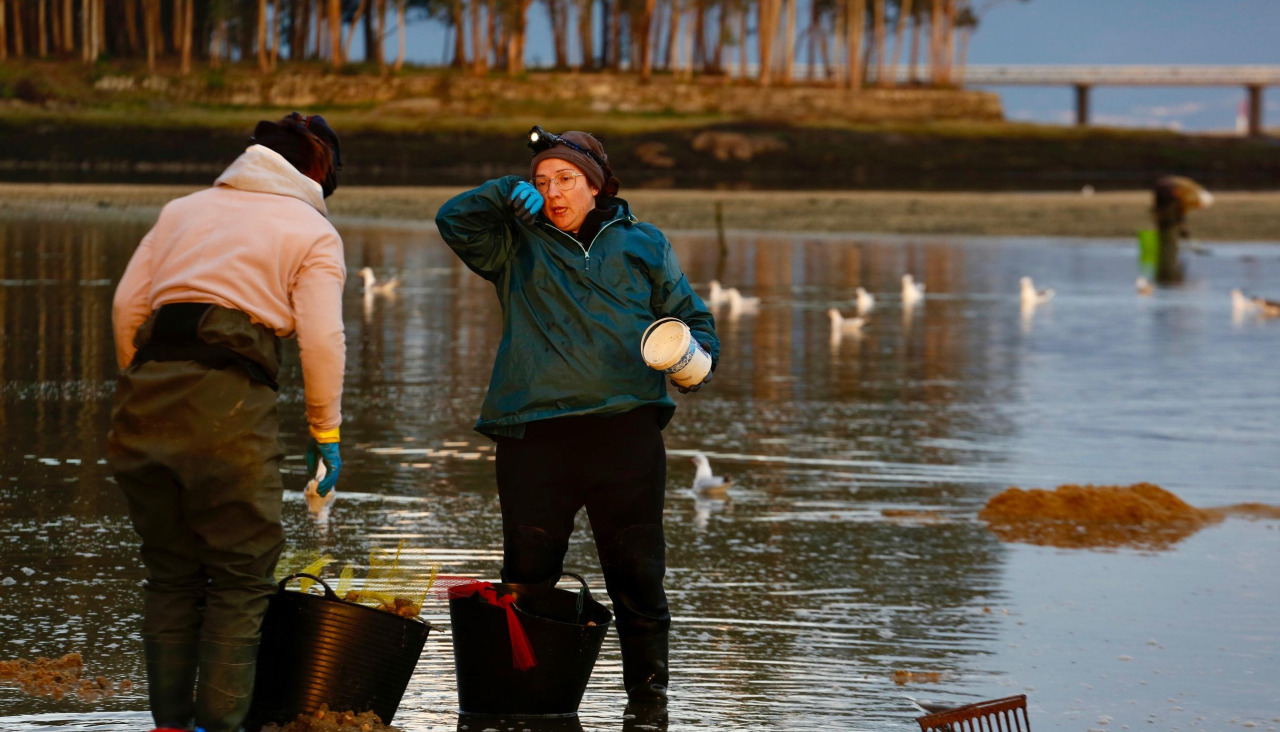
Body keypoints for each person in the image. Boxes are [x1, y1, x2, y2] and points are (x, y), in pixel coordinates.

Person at [435, 126, 719, 710]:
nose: (552, 192)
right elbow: (453, 220)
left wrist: (696, 359)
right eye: (541, 181)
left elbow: (692, 316)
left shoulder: (644, 243)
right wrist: (504, 193)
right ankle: (528, 704)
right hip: (533, 437)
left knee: (638, 577)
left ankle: (648, 704)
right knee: (528, 576)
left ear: (596, 185)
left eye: (565, 179)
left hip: (625, 435)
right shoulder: (513, 244)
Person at [108, 113, 346, 732]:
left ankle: (168, 728)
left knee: (170, 576)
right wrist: (325, 431)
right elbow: (322, 339)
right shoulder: (311, 229)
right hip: (230, 406)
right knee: (241, 578)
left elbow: (127, 307)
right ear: (316, 173)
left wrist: (146, 387)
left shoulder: (182, 210)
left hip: (144, 400)